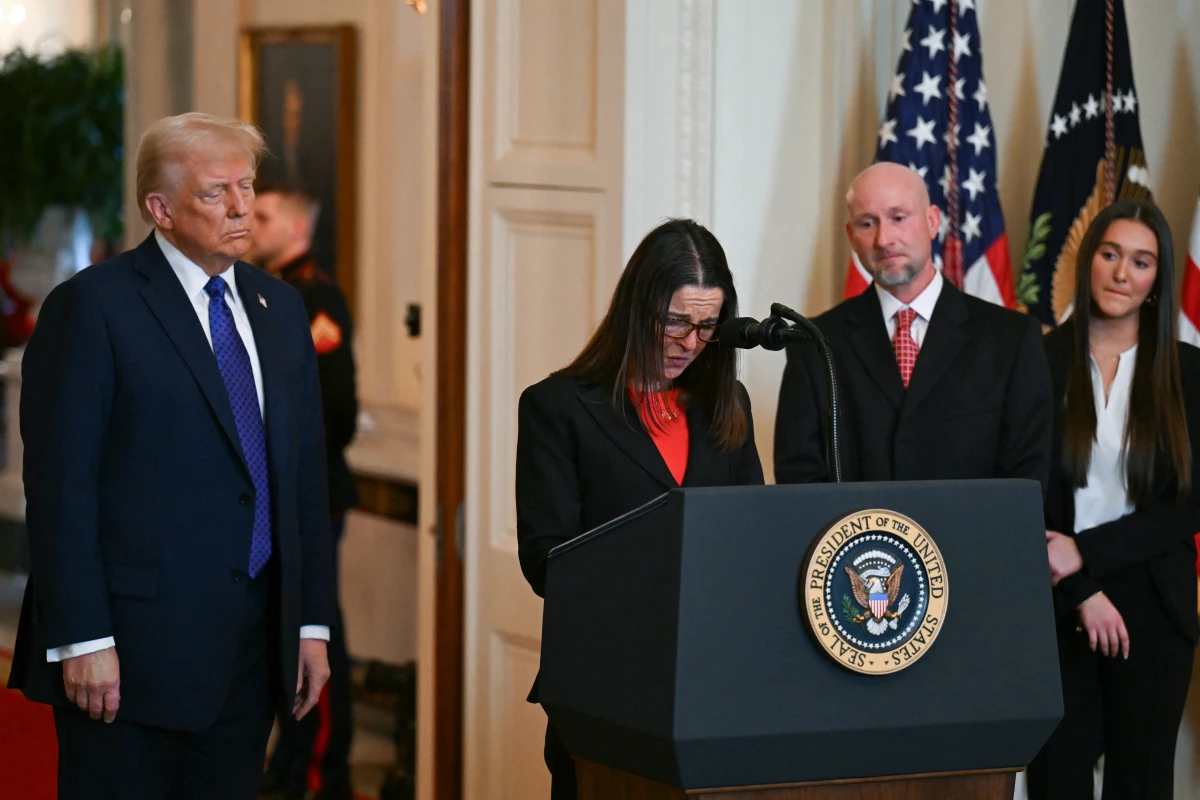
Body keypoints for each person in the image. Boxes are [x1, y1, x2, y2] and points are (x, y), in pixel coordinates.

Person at [6, 112, 336, 799]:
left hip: (250, 652)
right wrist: (84, 639)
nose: (243, 206)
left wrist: (310, 623)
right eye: (217, 192)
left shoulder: (280, 308)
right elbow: (63, 488)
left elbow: (303, 480)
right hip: (129, 656)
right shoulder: (93, 308)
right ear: (160, 208)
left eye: (247, 186)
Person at [516, 218, 764, 799]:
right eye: (676, 321)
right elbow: (545, 559)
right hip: (609, 688)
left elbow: (754, 535)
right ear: (637, 308)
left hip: (715, 686)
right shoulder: (560, 407)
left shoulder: (726, 404)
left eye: (708, 325)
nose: (690, 342)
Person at [1025, 199, 1200, 799]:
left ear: (1158, 278)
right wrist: (1081, 587)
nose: (1123, 272)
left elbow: (1188, 505)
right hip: (1055, 600)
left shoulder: (1189, 372)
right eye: (1110, 254)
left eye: (1142, 261)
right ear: (1088, 261)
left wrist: (1088, 554)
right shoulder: (1036, 361)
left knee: (1142, 783)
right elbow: (1024, 491)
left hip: (1155, 603)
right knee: (1057, 781)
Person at [773, 162, 1053, 490]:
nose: (884, 239)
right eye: (867, 223)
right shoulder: (815, 344)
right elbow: (799, 478)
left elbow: (1026, 477)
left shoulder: (1012, 338)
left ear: (933, 221)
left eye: (898, 217)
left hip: (969, 540)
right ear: (851, 236)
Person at [248, 183, 358, 800]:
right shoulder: (254, 292)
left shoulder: (315, 298)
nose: (248, 220)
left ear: (295, 229)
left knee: (312, 630)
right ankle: (287, 763)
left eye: (262, 214)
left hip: (310, 494)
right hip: (261, 497)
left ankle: (316, 772)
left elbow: (336, 411)